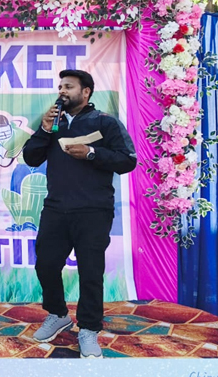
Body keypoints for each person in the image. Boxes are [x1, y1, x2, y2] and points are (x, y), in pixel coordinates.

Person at [22, 69, 137, 358]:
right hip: (56, 208)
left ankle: (88, 329)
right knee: (46, 264)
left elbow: (128, 160)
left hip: (93, 211)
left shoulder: (105, 122)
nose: (62, 91)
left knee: (90, 273)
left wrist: (92, 153)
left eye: (69, 86)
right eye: (60, 86)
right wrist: (45, 130)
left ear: (85, 92)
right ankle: (58, 314)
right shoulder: (53, 123)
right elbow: (30, 157)